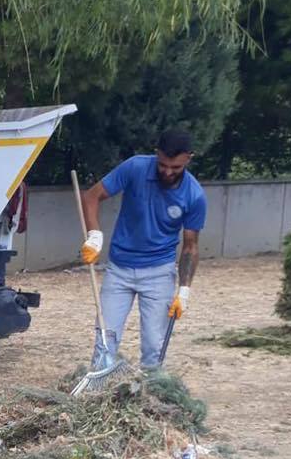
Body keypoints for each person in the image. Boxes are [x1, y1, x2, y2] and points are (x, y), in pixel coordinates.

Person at [79, 129, 206, 369]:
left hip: (159, 274)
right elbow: (91, 197)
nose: (168, 172)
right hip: (119, 269)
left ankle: (149, 395)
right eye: (163, 165)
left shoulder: (194, 196)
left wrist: (184, 291)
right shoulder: (135, 168)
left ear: (189, 158)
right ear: (156, 154)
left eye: (176, 167)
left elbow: (190, 247)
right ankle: (99, 392)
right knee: (106, 339)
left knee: (154, 346)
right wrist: (94, 236)